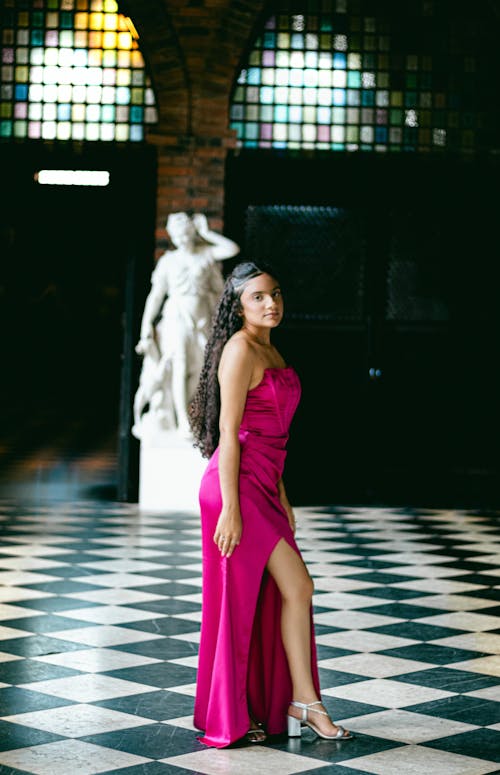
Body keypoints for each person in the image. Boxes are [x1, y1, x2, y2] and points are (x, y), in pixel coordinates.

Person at [189, 261, 353, 748]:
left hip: (264, 485)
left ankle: (289, 703)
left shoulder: (270, 348)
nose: (271, 304)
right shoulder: (240, 349)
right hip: (233, 486)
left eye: (276, 294)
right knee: (280, 592)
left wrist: (281, 495)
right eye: (258, 296)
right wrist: (232, 509)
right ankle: (284, 706)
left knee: (282, 594)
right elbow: (229, 433)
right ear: (238, 304)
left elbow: (275, 438)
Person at [134, 212, 239, 439]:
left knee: (201, 367)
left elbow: (232, 249)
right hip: (176, 318)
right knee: (179, 366)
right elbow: (155, 296)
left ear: (191, 232)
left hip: (201, 320)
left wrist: (207, 233)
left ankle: (193, 412)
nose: (181, 239)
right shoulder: (168, 261)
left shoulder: (205, 255)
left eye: (184, 234)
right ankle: (182, 419)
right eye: (176, 236)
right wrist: (145, 326)